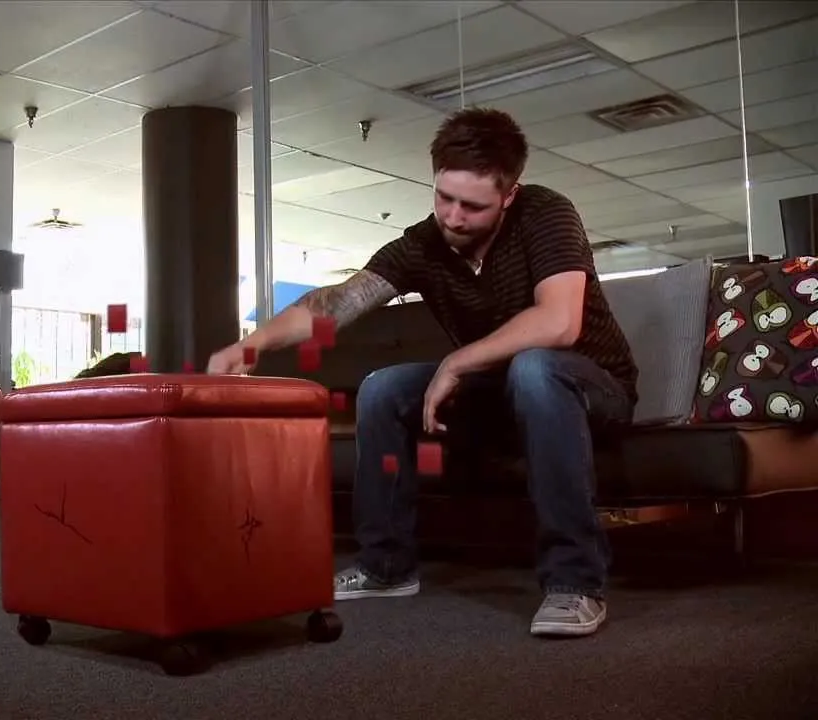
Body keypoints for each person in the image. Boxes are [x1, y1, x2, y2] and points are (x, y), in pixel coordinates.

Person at [207, 107, 637, 637]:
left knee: (535, 368)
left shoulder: (547, 214)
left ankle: (575, 583)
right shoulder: (424, 243)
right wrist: (249, 348)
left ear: (509, 195)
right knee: (383, 388)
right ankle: (387, 565)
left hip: (592, 388)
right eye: (443, 198)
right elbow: (338, 302)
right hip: (503, 391)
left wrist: (456, 361)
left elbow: (558, 321)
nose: (453, 217)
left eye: (472, 206)